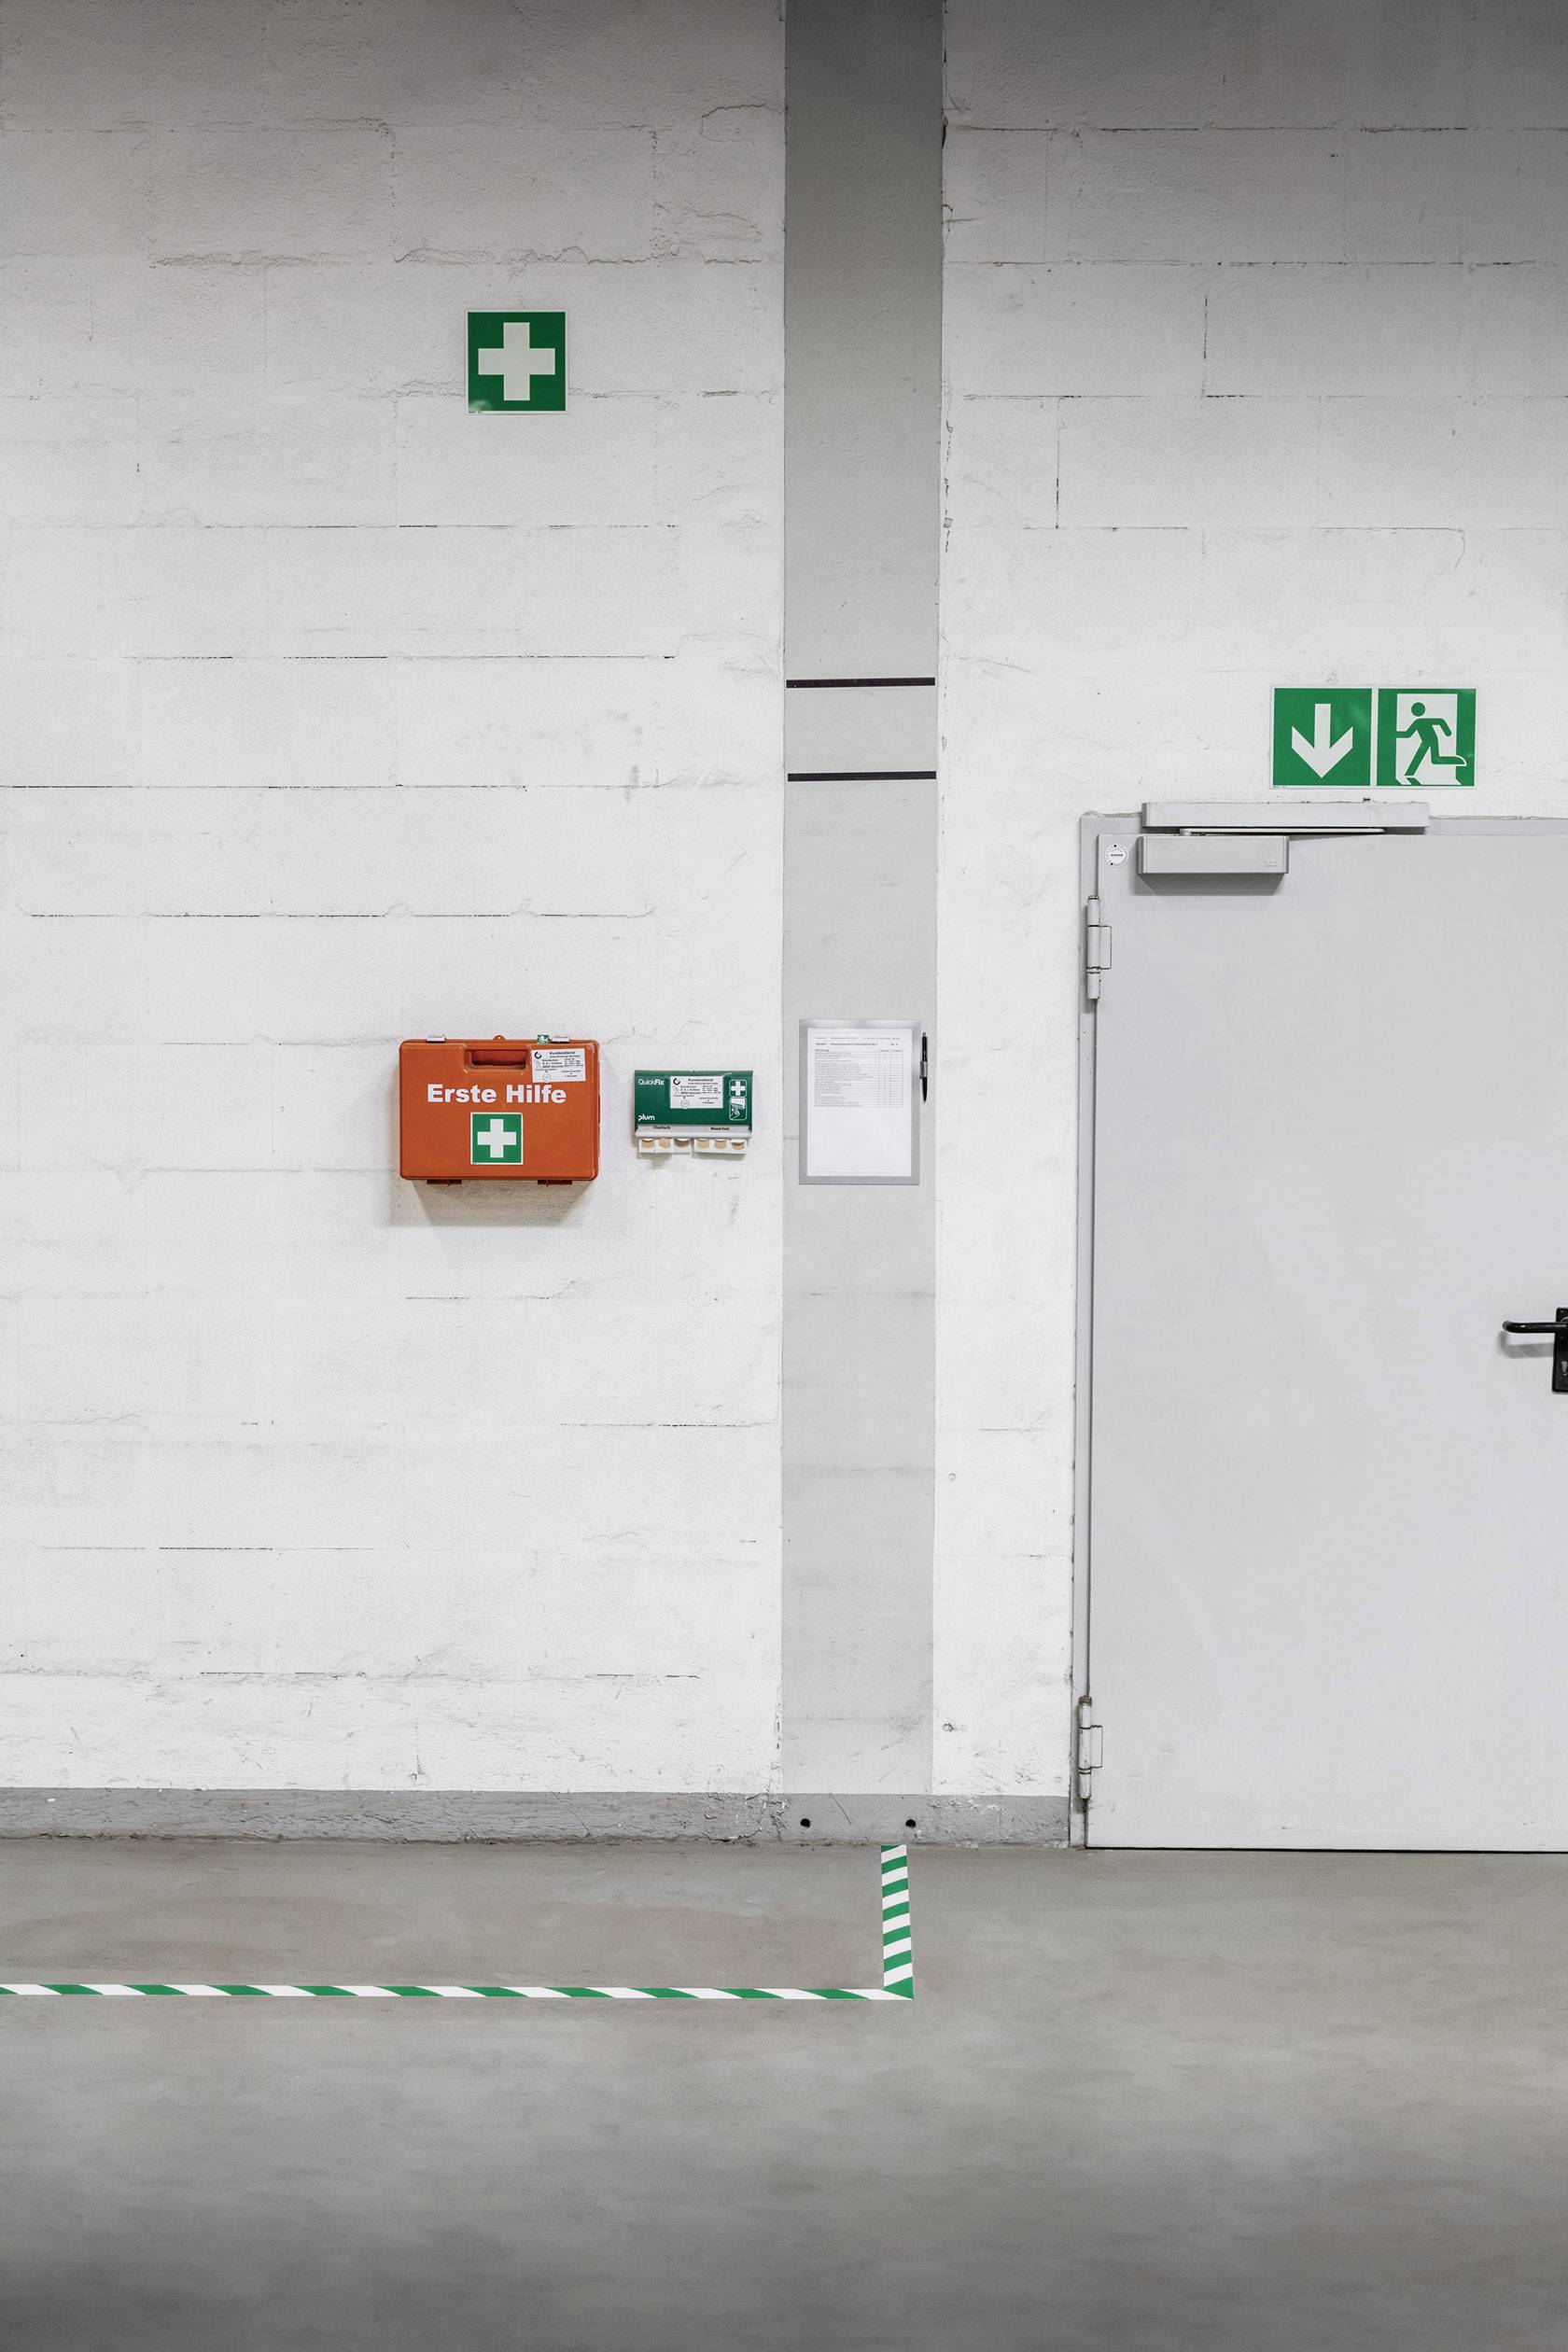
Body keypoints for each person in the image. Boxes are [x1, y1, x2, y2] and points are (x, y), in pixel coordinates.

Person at [1395, 701, 1467, 784]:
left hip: (1432, 740)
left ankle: (1458, 761)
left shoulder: (1419, 722)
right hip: (1426, 741)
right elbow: (1408, 734)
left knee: (1435, 759)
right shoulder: (1417, 722)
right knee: (1434, 759)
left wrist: (1447, 732)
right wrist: (1394, 734)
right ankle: (1409, 773)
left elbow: (1440, 721)